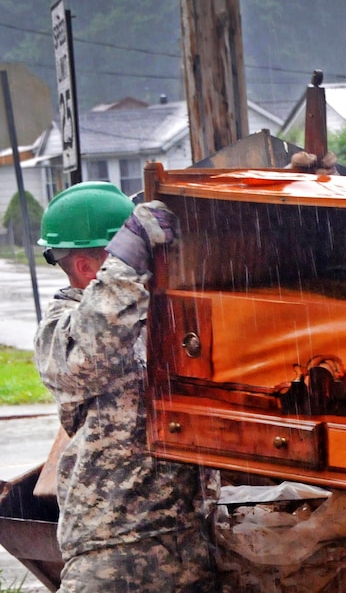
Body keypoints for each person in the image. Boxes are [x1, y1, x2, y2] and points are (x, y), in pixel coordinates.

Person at [34, 181, 216, 592]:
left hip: (189, 539)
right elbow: (91, 352)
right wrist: (128, 259)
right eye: (140, 257)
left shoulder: (157, 314)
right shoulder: (60, 331)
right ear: (88, 268)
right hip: (115, 549)